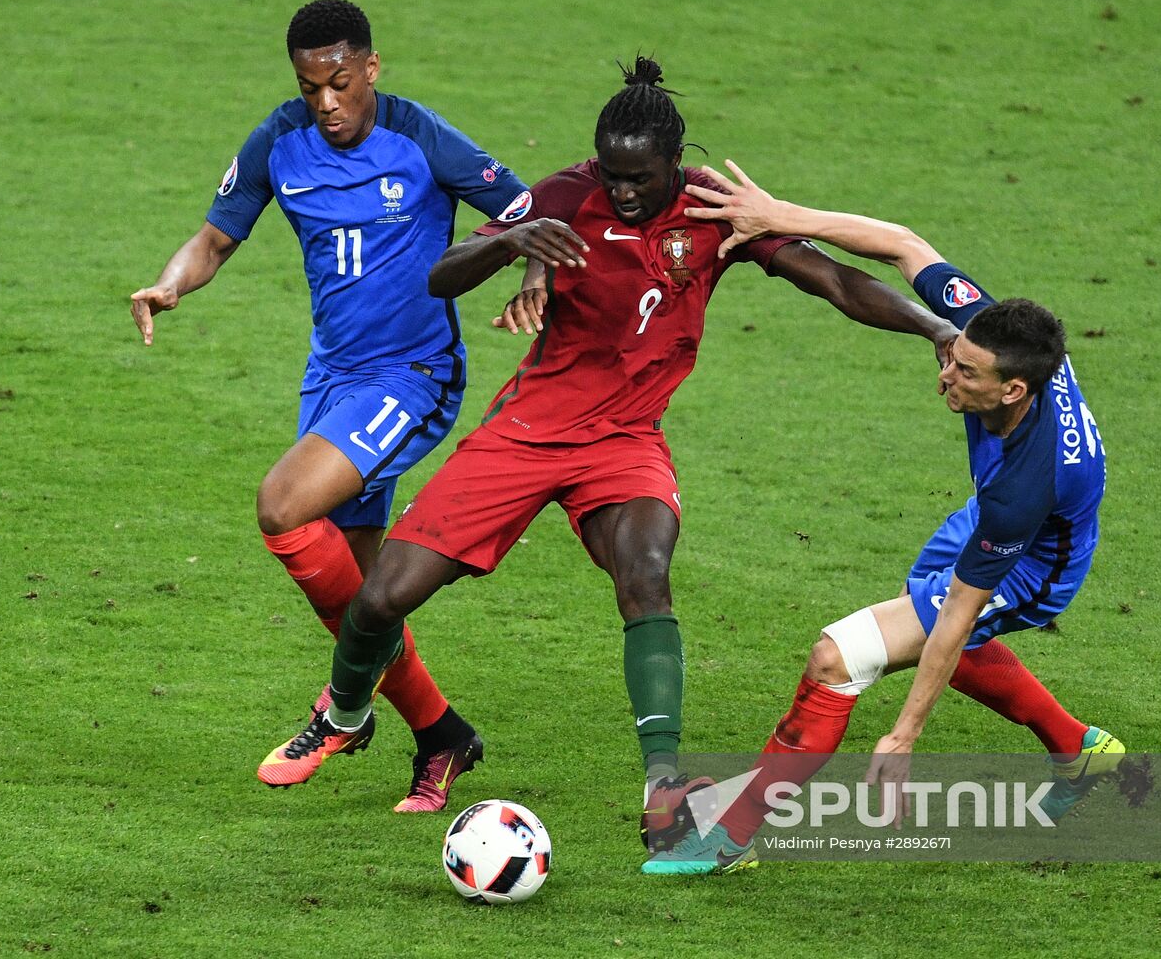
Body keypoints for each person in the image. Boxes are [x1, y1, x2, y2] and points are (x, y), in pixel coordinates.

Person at [263, 57, 958, 853]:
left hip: (624, 442)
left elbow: (832, 280)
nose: (623, 191)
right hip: (527, 432)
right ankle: (345, 714)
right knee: (382, 598)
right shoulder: (564, 195)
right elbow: (441, 276)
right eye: (612, 174)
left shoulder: (712, 209)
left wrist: (935, 327)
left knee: (646, 574)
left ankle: (664, 786)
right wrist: (514, 239)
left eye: (640, 178)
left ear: (673, 162)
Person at [641, 162, 1124, 873]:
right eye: (952, 357)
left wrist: (902, 736)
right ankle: (1077, 749)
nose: (946, 375)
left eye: (965, 374)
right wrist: (779, 214)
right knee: (924, 619)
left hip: (1030, 564)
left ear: (1013, 389)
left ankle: (732, 835)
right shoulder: (998, 335)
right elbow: (903, 243)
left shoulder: (1030, 481)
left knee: (842, 655)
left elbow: (961, 611)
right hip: (987, 521)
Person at [129, 0, 537, 812]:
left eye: (341, 83)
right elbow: (214, 239)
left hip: (413, 375)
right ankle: (442, 736)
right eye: (311, 86)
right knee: (361, 592)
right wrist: (171, 284)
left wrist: (536, 277)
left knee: (283, 505)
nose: (326, 103)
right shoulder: (279, 142)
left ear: (371, 69)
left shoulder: (421, 136)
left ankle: (345, 713)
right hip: (332, 381)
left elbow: (528, 213)